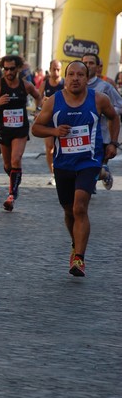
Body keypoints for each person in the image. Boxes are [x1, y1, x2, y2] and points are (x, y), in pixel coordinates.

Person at [32, 60, 119, 277]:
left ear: (86, 78)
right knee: (69, 210)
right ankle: (75, 242)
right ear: (66, 77)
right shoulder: (54, 101)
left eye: (81, 75)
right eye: (71, 74)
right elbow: (36, 128)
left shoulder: (98, 99)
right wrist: (54, 132)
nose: (75, 78)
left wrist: (113, 143)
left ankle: (79, 258)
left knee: (80, 207)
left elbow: (114, 117)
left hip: (88, 161)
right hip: (63, 164)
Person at [0, 55, 42, 211]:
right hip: (4, 129)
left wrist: (38, 111)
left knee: (16, 159)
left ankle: (11, 195)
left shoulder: (26, 85)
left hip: (20, 129)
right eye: (5, 69)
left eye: (12, 69)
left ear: (18, 68)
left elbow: (38, 97)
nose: (8, 72)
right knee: (7, 165)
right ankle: (15, 178)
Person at [81, 53, 122, 190]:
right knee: (82, 170)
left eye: (91, 63)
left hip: (101, 135)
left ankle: (104, 174)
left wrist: (106, 111)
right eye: (85, 62)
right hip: (80, 135)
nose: (87, 66)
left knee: (93, 171)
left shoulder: (105, 87)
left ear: (98, 67)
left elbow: (119, 106)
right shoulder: (74, 85)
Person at [38, 59, 64, 186]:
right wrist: (44, 102)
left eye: (58, 69)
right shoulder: (45, 84)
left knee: (63, 147)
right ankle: (53, 174)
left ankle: (63, 171)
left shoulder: (65, 83)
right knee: (50, 148)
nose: (56, 72)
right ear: (50, 69)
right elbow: (38, 100)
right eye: (54, 69)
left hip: (62, 119)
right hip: (48, 120)